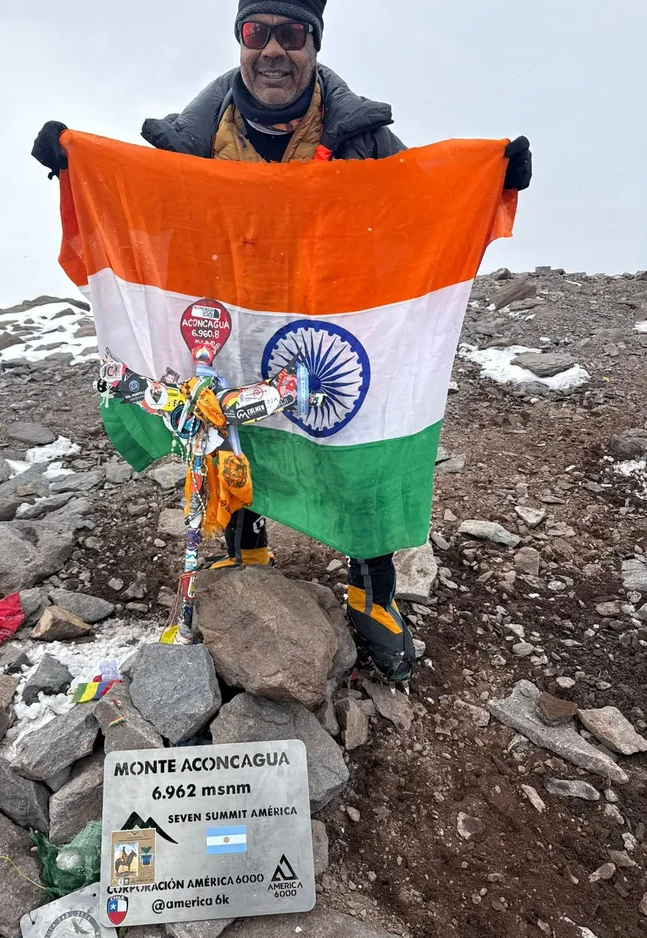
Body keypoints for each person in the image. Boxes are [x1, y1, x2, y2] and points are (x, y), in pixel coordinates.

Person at [32, 0, 532, 683]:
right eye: (256, 33)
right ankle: (247, 549)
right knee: (229, 429)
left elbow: (416, 206)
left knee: (355, 442)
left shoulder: (360, 135)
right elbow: (139, 216)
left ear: (313, 44)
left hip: (333, 317)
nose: (273, 50)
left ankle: (372, 590)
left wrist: (487, 181)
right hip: (232, 311)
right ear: (240, 40)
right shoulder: (191, 140)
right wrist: (75, 165)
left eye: (291, 35)